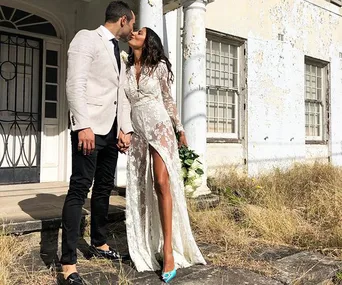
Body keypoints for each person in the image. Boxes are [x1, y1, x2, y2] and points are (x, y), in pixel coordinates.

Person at [59, 2, 135, 284]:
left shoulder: (121, 52)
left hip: (112, 133)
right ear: (124, 20)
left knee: (103, 188)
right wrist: (83, 125)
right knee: (79, 187)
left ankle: (100, 243)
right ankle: (68, 263)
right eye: (132, 24)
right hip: (89, 130)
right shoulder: (86, 38)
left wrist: (125, 130)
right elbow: (74, 84)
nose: (132, 30)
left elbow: (122, 95)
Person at [124, 27, 207, 283]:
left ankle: (169, 250)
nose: (134, 33)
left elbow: (168, 99)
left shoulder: (158, 65)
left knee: (161, 182)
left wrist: (179, 128)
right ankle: (146, 243)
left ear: (148, 41)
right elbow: (121, 100)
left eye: (139, 32)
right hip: (136, 129)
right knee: (138, 186)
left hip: (159, 126)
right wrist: (122, 129)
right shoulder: (125, 67)